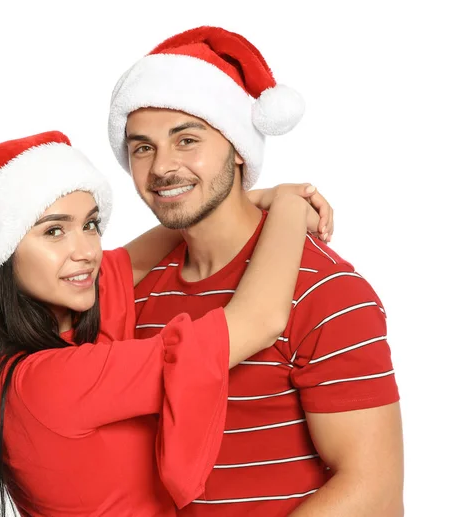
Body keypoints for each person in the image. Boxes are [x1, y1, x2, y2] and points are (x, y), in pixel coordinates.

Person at [0, 130, 333, 517]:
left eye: (89, 225)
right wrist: (291, 206)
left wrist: (255, 199)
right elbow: (258, 320)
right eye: (54, 231)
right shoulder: (44, 382)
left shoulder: (42, 336)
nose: (86, 251)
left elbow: (137, 255)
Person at [108, 26, 403, 516]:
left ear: (240, 147)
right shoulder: (134, 292)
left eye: (187, 139)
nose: (162, 167)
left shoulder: (325, 291)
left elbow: (374, 492)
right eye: (143, 147)